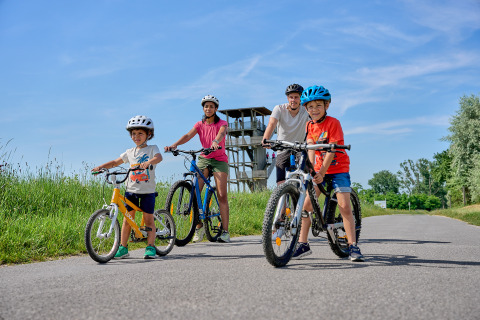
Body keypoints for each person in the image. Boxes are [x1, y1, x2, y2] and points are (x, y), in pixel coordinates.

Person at [291, 85, 364, 262]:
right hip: (319, 170)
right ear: (305, 108)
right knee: (307, 206)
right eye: (310, 107)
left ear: (327, 106)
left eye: (318, 106)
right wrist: (311, 168)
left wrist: (322, 172)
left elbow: (331, 150)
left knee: (345, 206)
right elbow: (310, 147)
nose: (314, 110)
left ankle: (353, 245)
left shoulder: (333, 123)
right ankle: (303, 243)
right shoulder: (309, 125)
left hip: (337, 169)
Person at [92, 115, 163, 259]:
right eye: (134, 134)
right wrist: (101, 167)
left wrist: (149, 162)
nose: (136, 136)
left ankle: (150, 247)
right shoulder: (129, 152)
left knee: (148, 220)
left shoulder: (152, 149)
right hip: (131, 191)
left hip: (147, 191)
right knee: (127, 220)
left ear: (148, 134)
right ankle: (123, 248)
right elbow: (115, 162)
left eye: (140, 133)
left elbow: (159, 157)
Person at [164, 95, 231, 243]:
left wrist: (215, 141)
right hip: (204, 158)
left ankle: (225, 231)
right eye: (206, 106)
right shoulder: (199, 125)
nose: (208, 109)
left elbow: (221, 133)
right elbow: (188, 135)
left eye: (211, 106)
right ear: (203, 108)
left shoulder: (222, 123)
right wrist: (174, 145)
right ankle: (198, 227)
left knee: (221, 195)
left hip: (219, 160)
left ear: (216, 109)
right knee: (195, 193)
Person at [262, 84, 309, 185]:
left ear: (301, 98)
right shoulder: (279, 109)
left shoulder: (305, 111)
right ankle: (282, 199)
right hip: (282, 147)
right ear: (287, 98)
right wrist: (266, 138)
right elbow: (272, 124)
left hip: (300, 147)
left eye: (296, 97)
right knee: (281, 182)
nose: (293, 100)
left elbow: (314, 126)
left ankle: (303, 198)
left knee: (305, 177)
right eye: (291, 97)